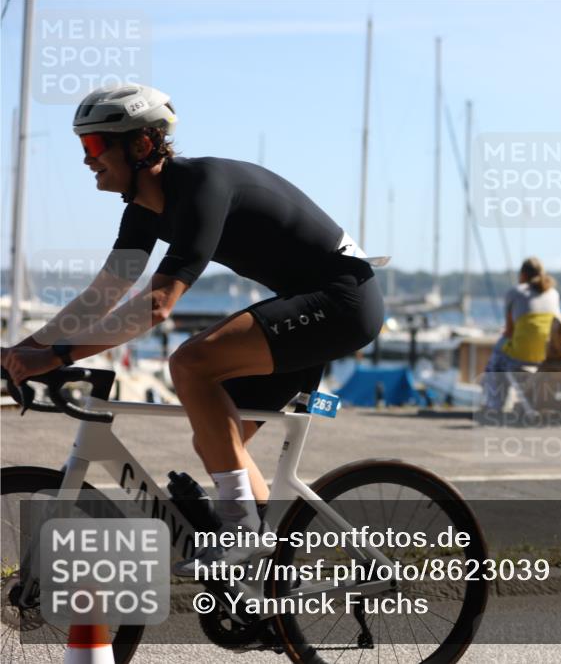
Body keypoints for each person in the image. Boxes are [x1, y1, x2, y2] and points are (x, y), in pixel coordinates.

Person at [0, 85, 384, 572]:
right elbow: (101, 296)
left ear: (141, 145)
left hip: (342, 302)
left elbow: (158, 305)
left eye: (95, 147)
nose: (86, 160)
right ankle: (271, 581)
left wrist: (56, 357)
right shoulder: (142, 209)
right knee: (217, 442)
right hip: (303, 306)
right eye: (83, 147)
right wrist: (22, 349)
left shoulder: (202, 186)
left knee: (190, 362)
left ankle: (241, 530)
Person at [482, 257, 560, 411]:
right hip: (547, 354)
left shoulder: (516, 292)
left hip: (522, 356)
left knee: (498, 353)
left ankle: (496, 404)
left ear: (523, 274)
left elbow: (509, 331)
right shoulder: (553, 293)